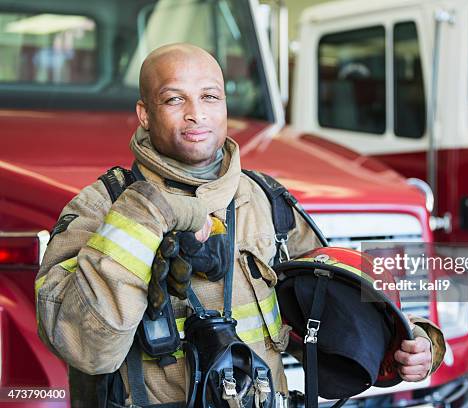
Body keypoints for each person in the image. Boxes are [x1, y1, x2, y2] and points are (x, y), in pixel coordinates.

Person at [35, 43, 444, 407]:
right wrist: (141, 219)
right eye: (175, 99)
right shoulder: (101, 207)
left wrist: (414, 344)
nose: (196, 114)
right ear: (144, 114)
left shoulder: (265, 200)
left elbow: (336, 310)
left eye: (209, 97)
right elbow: (88, 350)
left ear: (225, 105)